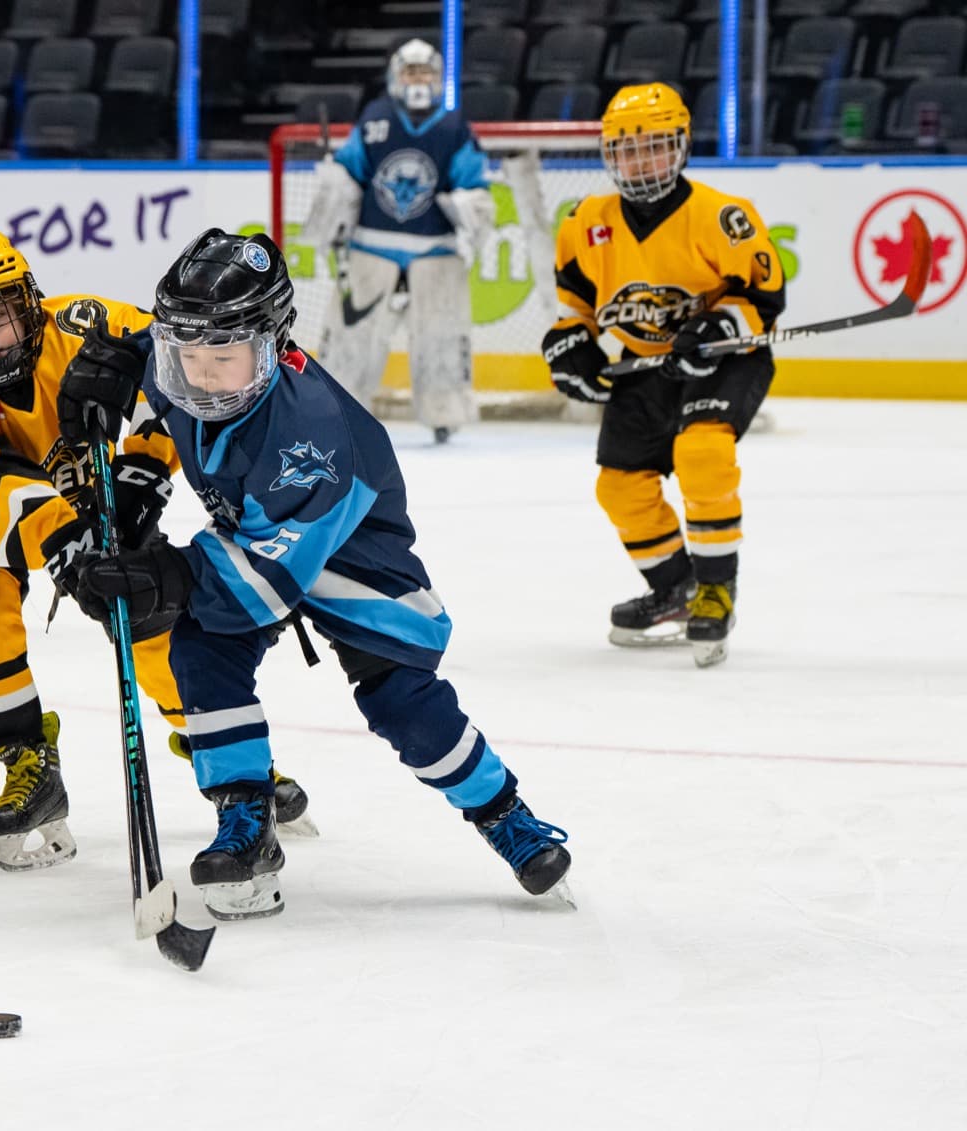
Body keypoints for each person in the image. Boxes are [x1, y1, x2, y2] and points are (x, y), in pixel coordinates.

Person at [56, 228, 571, 921]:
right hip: (257, 535)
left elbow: (268, 579)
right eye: (189, 360)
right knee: (200, 651)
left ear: (271, 348)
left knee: (403, 703)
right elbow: (145, 343)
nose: (202, 378)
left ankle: (505, 813)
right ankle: (246, 821)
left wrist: (166, 575)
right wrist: (113, 366)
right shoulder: (191, 354)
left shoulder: (311, 434)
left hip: (350, 557)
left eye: (224, 361)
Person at [0, 224, 312, 873]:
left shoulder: (88, 324)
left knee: (152, 625)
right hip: (9, 516)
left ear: (29, 300)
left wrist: (144, 471)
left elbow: (176, 368)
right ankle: (26, 761)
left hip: (108, 491)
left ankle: (218, 744)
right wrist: (64, 540)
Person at [541, 83, 783, 668]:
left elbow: (765, 300)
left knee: (702, 452)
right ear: (609, 156)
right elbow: (575, 307)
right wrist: (567, 347)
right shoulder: (583, 223)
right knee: (619, 487)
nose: (640, 161)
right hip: (646, 367)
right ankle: (676, 588)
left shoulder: (721, 217)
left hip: (725, 363)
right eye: (627, 150)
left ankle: (716, 588)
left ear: (679, 148)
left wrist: (720, 326)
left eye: (653, 147)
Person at [301, 37, 496, 443]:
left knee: (441, 333)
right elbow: (351, 170)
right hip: (372, 244)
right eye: (411, 71)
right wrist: (335, 188)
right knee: (352, 332)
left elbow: (474, 183)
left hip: (434, 248)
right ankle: (340, 406)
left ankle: (443, 410)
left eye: (425, 72)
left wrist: (469, 206)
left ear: (437, 77)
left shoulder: (453, 126)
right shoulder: (375, 118)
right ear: (395, 76)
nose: (418, 79)